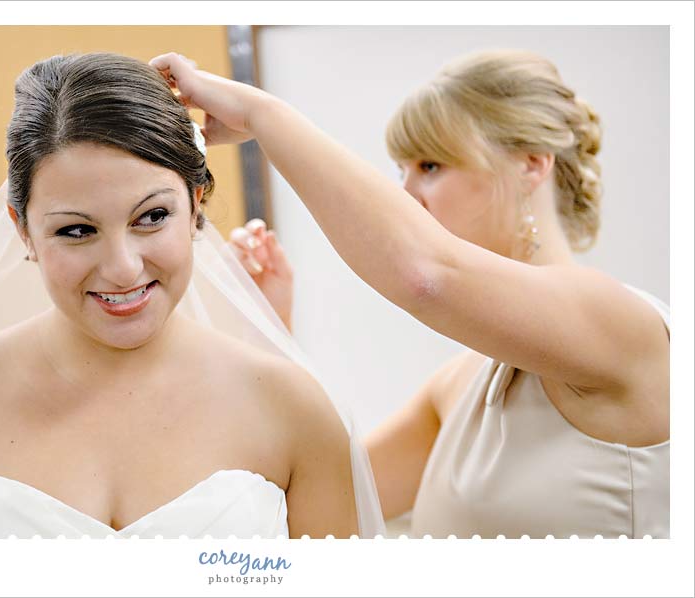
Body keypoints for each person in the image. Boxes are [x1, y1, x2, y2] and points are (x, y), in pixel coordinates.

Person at [0, 52, 385, 539]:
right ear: (23, 229)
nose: (123, 268)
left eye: (152, 217)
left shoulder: (294, 408)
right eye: (76, 230)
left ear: (196, 205)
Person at [151, 49, 671, 538]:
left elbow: (425, 272)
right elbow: (311, 502)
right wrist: (268, 331)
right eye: (402, 169)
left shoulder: (619, 325)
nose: (406, 193)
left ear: (532, 163)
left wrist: (259, 113)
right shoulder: (459, 384)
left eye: (430, 166)